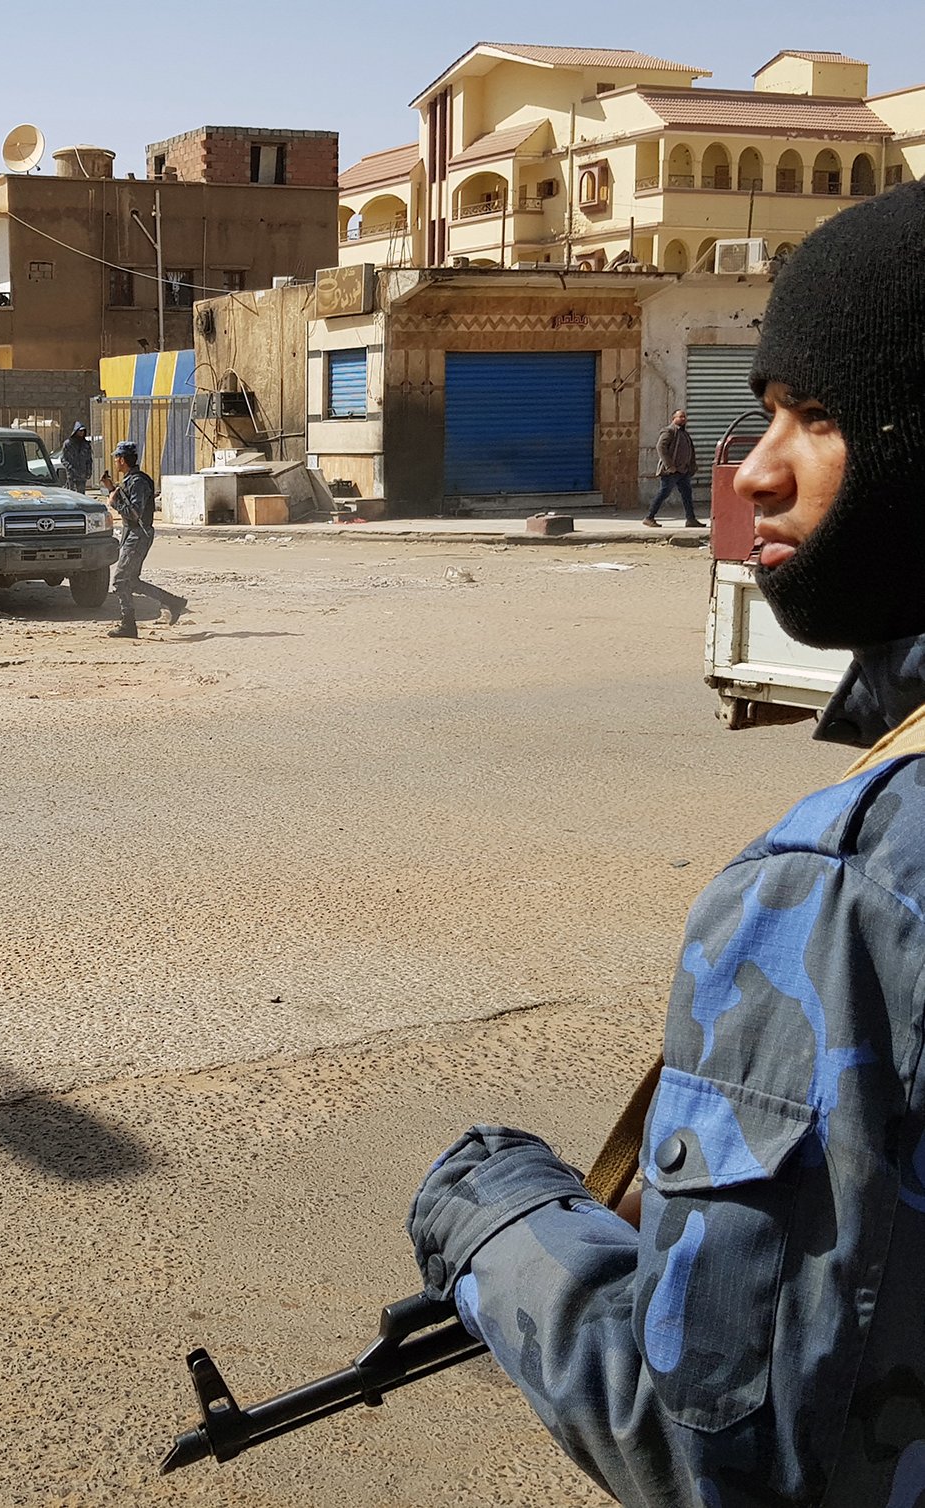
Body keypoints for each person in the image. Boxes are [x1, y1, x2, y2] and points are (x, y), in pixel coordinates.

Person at [405, 182, 925, 1506]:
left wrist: (494, 1214)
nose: (756, 470)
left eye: (817, 417)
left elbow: (720, 1448)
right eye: (762, 411)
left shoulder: (853, 887)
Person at [104, 441, 186, 639]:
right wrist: (111, 489)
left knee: (120, 580)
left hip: (137, 535)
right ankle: (173, 602)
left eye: (116, 458)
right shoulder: (131, 480)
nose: (115, 461)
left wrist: (114, 502)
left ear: (122, 460)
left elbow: (135, 513)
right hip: (132, 534)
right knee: (131, 581)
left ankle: (128, 625)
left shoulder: (138, 481)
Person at [643, 408, 701, 528]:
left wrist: (691, 466)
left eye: (684, 417)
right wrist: (670, 466)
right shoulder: (669, 431)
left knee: (687, 495)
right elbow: (661, 447)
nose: (683, 419)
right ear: (673, 419)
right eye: (680, 417)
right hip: (671, 472)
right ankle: (649, 517)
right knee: (663, 493)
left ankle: (691, 519)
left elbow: (690, 450)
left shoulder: (684, 433)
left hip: (683, 471)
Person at [62, 423, 93, 493]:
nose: (82, 433)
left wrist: (89, 471)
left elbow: (89, 459)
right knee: (72, 494)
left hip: (82, 475)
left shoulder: (86, 445)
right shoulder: (68, 444)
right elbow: (63, 459)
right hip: (72, 475)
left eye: (83, 431)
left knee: (81, 495)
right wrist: (70, 468)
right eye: (80, 431)